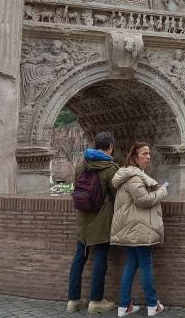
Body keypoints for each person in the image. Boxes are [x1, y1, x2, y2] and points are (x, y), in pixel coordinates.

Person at [110, 142, 168, 317]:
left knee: (131, 265)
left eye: (149, 153)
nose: (148, 156)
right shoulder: (134, 177)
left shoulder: (130, 175)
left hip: (131, 227)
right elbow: (143, 200)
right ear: (134, 157)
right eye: (144, 153)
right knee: (145, 266)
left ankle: (124, 306)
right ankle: (152, 304)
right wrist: (163, 191)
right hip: (138, 228)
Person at [67, 132, 120, 314]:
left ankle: (73, 300)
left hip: (83, 218)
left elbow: (77, 186)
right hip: (101, 219)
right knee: (100, 257)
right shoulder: (110, 167)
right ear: (111, 146)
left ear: (94, 145)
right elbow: (116, 195)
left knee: (79, 257)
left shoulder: (81, 164)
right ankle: (96, 301)